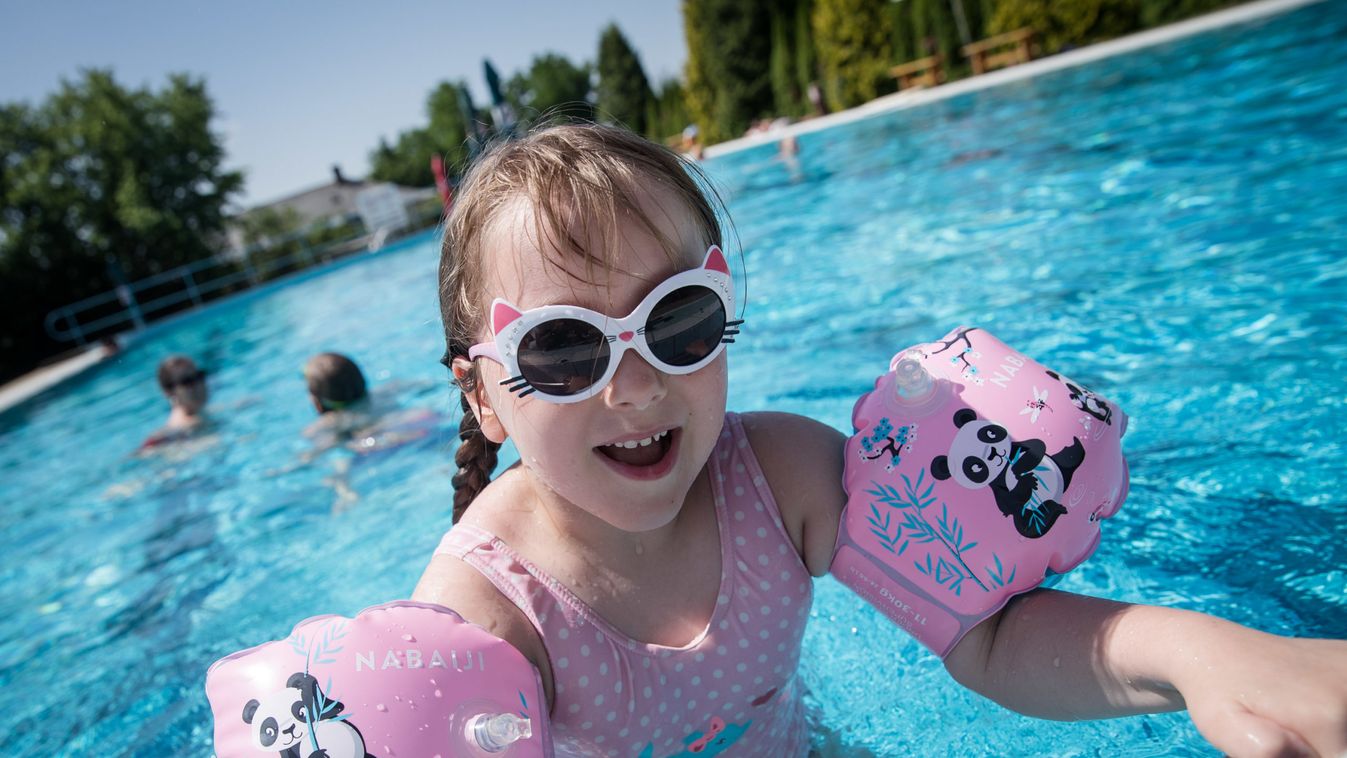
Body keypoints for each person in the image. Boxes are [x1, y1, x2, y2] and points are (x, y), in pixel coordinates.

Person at [413, 124, 1346, 757]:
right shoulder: (486, 619)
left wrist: (1201, 655)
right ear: (485, 397)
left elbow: (985, 637)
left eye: (679, 318)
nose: (638, 382)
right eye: (564, 347)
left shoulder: (776, 480)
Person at [139, 355, 211, 451]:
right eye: (187, 381)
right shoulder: (171, 436)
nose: (198, 385)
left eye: (199, 376)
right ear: (169, 392)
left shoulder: (201, 414)